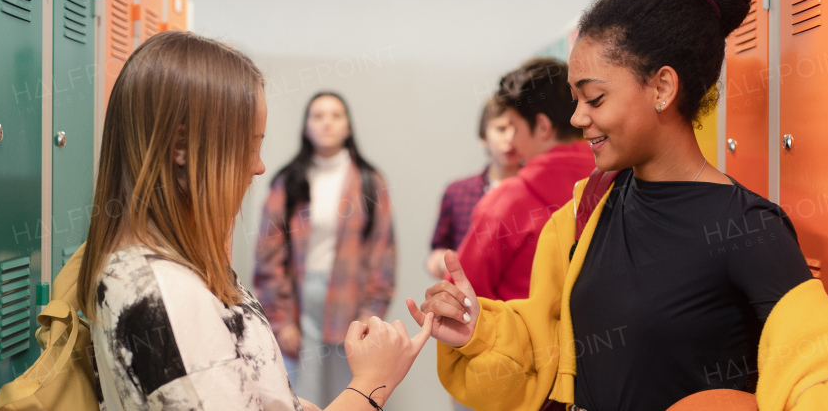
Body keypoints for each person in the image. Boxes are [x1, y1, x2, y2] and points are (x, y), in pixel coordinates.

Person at [408, 0, 828, 411]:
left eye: (594, 98)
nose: (577, 117)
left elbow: (823, 381)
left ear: (662, 88)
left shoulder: (750, 228)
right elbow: (549, 347)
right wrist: (477, 329)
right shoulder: (588, 208)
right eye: (575, 100)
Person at [79, 31, 428, 411]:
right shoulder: (167, 297)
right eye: (250, 145)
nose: (259, 166)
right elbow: (269, 256)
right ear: (181, 146)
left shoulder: (184, 272)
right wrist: (373, 384)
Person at [255, 92, 398, 406]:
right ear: (306, 126)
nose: (327, 123)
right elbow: (268, 257)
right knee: (300, 391)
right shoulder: (288, 181)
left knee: (351, 391)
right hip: (300, 302)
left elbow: (382, 257)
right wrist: (281, 321)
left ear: (348, 126)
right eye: (318, 116)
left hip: (351, 302)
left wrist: (369, 317)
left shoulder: (371, 182)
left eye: (336, 115)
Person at [452, 58, 595, 302]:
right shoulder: (622, 181)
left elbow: (459, 299)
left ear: (542, 126)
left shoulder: (506, 203)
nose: (513, 142)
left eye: (515, 128)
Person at [426, 101, 520, 279]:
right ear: (483, 137)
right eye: (501, 129)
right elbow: (437, 248)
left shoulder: (535, 189)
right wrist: (440, 261)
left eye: (516, 129)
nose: (510, 138)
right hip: (468, 294)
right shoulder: (457, 191)